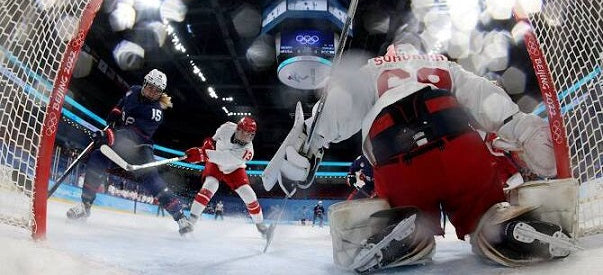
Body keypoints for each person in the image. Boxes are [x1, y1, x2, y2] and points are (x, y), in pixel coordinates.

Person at [266, 42, 577, 272]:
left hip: (397, 154)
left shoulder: (373, 68)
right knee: (485, 210)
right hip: (459, 143)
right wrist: (522, 128)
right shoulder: (444, 66)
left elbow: (340, 107)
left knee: (402, 211)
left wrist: (309, 143)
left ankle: (409, 232)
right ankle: (498, 227)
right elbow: (484, 96)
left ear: (389, 53)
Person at [66, 69, 194, 235]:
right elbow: (121, 105)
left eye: (157, 90)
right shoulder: (133, 90)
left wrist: (109, 135)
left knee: (153, 181)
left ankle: (181, 218)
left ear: (161, 92)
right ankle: (85, 206)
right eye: (150, 87)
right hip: (119, 142)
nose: (152, 92)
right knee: (97, 158)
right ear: (144, 83)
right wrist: (115, 114)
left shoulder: (155, 113)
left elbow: (134, 135)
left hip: (140, 149)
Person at [185, 117, 270, 236]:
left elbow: (225, 158)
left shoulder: (248, 151)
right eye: (243, 133)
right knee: (210, 185)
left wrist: (202, 154)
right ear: (237, 129)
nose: (246, 137)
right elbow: (212, 140)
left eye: (249, 135)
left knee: (249, 194)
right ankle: (190, 222)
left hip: (234, 168)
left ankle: (262, 228)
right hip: (215, 163)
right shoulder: (226, 127)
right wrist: (206, 145)